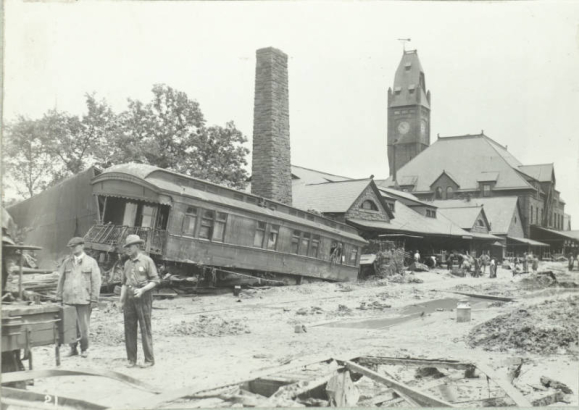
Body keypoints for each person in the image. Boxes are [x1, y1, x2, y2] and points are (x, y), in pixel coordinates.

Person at [56, 237, 101, 358]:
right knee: (70, 326)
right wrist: (59, 297)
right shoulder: (67, 262)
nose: (73, 249)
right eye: (71, 247)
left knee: (83, 327)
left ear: (82, 246)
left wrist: (94, 299)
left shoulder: (91, 262)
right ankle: (73, 349)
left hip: (84, 300)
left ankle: (84, 349)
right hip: (69, 300)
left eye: (75, 246)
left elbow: (96, 282)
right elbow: (61, 281)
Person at [120, 234, 160, 368]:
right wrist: (121, 301)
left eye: (130, 246)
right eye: (126, 247)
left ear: (137, 246)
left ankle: (149, 360)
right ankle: (131, 359)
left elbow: (155, 281)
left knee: (145, 329)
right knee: (129, 329)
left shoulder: (147, 261)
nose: (127, 249)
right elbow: (124, 284)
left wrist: (142, 290)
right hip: (130, 300)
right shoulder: (126, 263)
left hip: (144, 300)